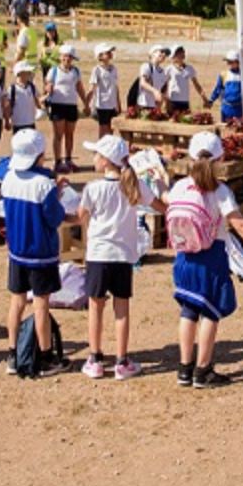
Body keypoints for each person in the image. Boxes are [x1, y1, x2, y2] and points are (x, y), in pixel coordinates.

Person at [166, 131, 243, 387]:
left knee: (188, 310)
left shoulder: (180, 186)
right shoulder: (220, 191)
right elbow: (239, 224)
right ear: (221, 158)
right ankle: (203, 370)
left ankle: (184, 367)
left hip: (184, 257)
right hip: (211, 257)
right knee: (210, 313)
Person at [77, 135, 163, 381]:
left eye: (96, 154)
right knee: (122, 308)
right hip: (124, 255)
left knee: (95, 306)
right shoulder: (134, 185)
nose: (93, 158)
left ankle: (94, 358)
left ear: (105, 161)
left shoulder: (93, 188)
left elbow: (81, 216)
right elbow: (158, 205)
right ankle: (122, 361)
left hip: (98, 254)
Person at [1, 129, 71, 376]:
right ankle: (45, 356)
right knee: (41, 305)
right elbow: (53, 218)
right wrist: (58, 192)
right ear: (40, 155)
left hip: (17, 251)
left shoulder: (9, 179)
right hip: (41, 253)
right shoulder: (43, 185)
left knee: (17, 301)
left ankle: (12, 353)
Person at [44, 44, 91, 173]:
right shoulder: (53, 71)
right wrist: (48, 89)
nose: (67, 59)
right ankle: (58, 161)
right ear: (60, 57)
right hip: (58, 105)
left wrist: (85, 103)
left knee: (70, 134)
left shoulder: (76, 71)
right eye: (65, 56)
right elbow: (47, 85)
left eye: (70, 57)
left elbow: (79, 87)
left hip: (71, 105)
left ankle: (68, 160)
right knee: (58, 134)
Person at [210, 50, 243, 123]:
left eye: (230, 62)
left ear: (237, 62)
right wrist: (211, 100)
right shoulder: (223, 75)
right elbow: (218, 90)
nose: (228, 64)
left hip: (239, 108)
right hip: (226, 108)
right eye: (228, 62)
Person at [87, 44, 121, 134]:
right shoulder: (97, 70)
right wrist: (87, 104)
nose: (110, 54)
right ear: (100, 56)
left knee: (111, 131)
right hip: (102, 105)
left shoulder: (114, 69)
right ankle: (101, 148)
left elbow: (115, 87)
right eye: (107, 52)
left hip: (112, 105)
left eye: (110, 52)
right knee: (103, 131)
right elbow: (92, 88)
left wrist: (118, 103)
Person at [165, 46, 204, 115]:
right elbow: (164, 85)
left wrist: (204, 98)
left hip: (185, 101)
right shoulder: (169, 69)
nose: (182, 54)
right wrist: (166, 101)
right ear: (174, 56)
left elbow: (196, 84)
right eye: (179, 53)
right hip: (173, 101)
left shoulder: (189, 68)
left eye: (182, 52)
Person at [136, 45, 171, 111]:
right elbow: (143, 83)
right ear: (153, 53)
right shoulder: (146, 66)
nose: (164, 55)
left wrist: (162, 101)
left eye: (165, 54)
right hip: (144, 105)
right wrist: (155, 91)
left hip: (155, 106)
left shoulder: (163, 72)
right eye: (161, 52)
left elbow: (164, 89)